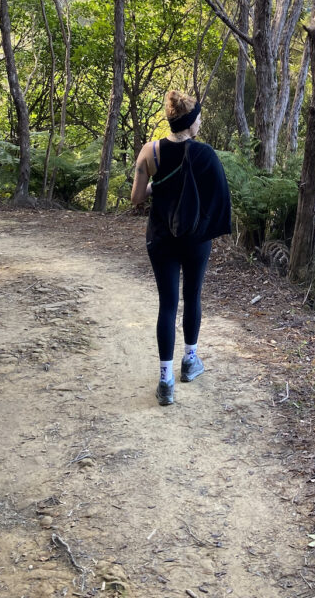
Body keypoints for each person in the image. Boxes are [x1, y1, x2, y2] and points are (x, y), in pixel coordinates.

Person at [131, 90, 231, 406]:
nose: (201, 121)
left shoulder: (151, 152)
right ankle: (190, 362)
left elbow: (136, 198)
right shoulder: (207, 155)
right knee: (193, 297)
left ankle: (165, 382)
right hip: (197, 240)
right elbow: (220, 196)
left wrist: (155, 185)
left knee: (167, 304)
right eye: (198, 117)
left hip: (161, 238)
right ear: (189, 122)